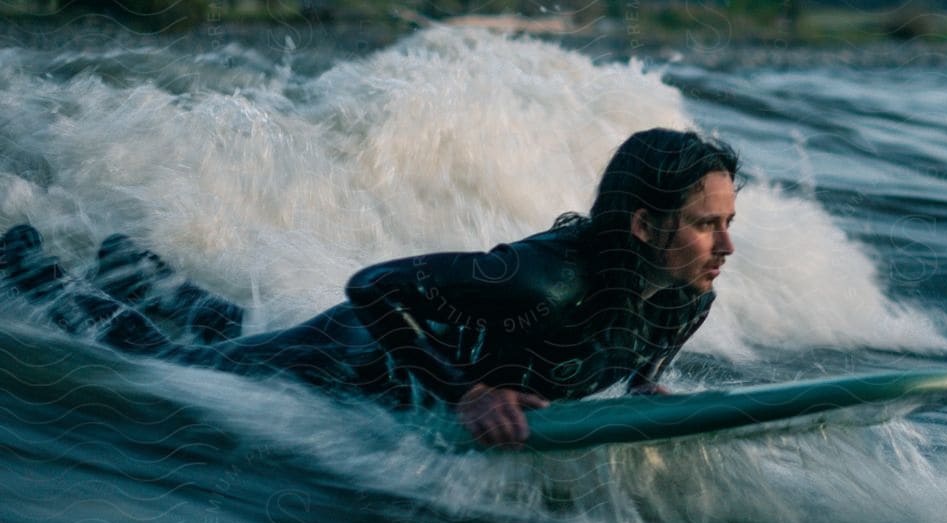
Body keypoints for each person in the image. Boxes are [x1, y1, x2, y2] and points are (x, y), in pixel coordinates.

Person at [0, 127, 738, 450]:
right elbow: (375, 285)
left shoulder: (687, 290)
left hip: (394, 357)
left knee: (234, 330)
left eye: (729, 222)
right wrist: (465, 393)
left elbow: (641, 369)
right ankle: (27, 261)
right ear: (644, 225)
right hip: (350, 355)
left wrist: (650, 398)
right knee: (168, 359)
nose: (726, 246)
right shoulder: (540, 279)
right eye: (708, 225)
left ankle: (134, 267)